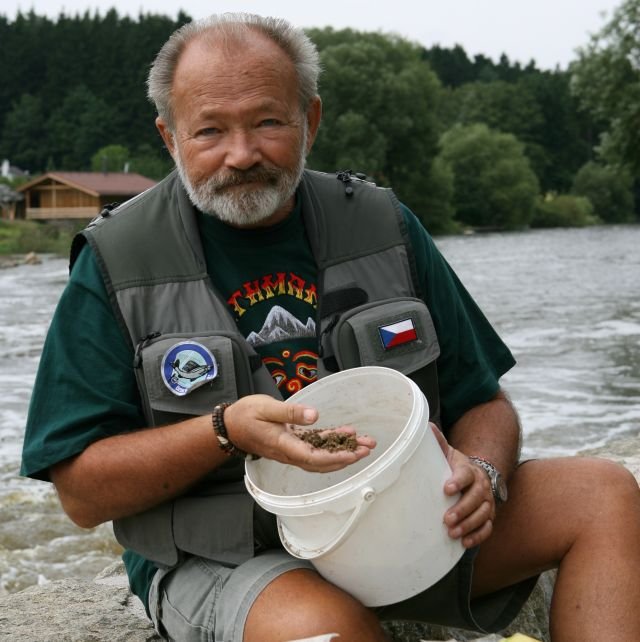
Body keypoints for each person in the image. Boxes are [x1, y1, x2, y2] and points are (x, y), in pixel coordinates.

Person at [21, 12, 640, 642]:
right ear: (169, 137)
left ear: (310, 120)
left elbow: (484, 400)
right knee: (328, 629)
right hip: (228, 557)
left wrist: (482, 471)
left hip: (405, 525)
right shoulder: (115, 262)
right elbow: (81, 492)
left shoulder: (384, 223)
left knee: (603, 494)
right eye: (209, 130)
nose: (241, 155)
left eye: (268, 122)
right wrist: (223, 431)